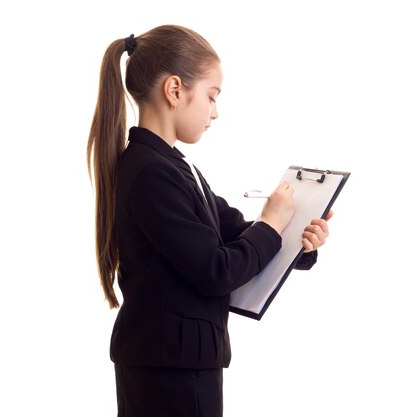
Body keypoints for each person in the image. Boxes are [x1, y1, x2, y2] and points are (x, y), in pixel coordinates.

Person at [86, 25, 333, 417]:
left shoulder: (174, 168)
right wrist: (270, 226)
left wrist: (296, 239)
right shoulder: (150, 172)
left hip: (179, 364)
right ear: (174, 90)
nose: (215, 112)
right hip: (169, 372)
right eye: (211, 96)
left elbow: (237, 233)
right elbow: (216, 269)